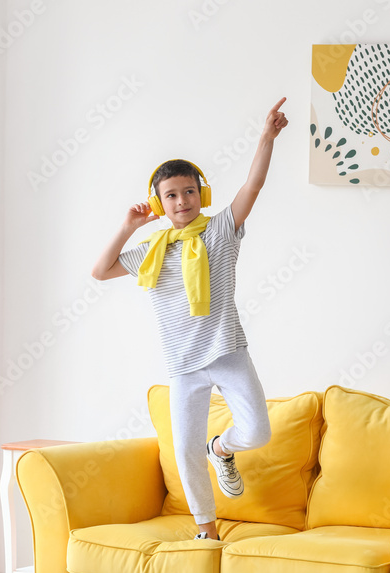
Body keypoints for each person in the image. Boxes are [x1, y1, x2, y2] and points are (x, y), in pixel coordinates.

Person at [91, 98, 289, 541]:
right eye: (171, 195)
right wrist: (128, 227)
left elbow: (252, 188)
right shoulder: (153, 251)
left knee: (256, 431)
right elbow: (100, 270)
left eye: (189, 191)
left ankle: (221, 449)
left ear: (203, 195)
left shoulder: (221, 231)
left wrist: (265, 138)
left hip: (227, 351)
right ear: (159, 203)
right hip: (183, 363)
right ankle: (207, 529)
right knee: (183, 451)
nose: (182, 200)